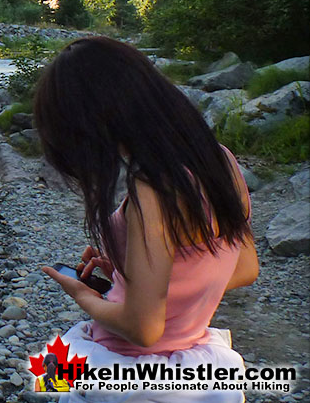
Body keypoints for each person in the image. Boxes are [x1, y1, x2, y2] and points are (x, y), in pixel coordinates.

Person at [33, 37, 258, 402]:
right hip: (196, 367)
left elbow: (143, 329)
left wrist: (83, 296)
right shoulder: (221, 161)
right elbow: (242, 268)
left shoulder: (151, 190)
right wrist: (133, 279)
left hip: (128, 375)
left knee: (53, 371)